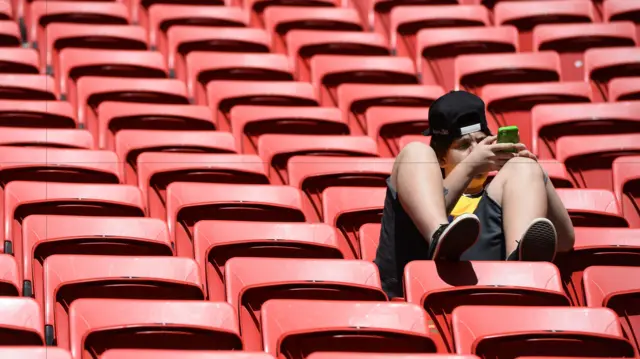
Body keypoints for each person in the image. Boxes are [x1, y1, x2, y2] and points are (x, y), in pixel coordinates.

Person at [374, 91, 575, 299]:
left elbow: (565, 242)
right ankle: (438, 235)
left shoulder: (508, 194)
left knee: (523, 167)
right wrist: (471, 166)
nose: (476, 152)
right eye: (463, 146)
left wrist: (536, 172)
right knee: (415, 152)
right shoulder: (415, 188)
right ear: (441, 159)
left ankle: (518, 268)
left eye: (481, 143)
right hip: (412, 296)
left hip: (490, 301)